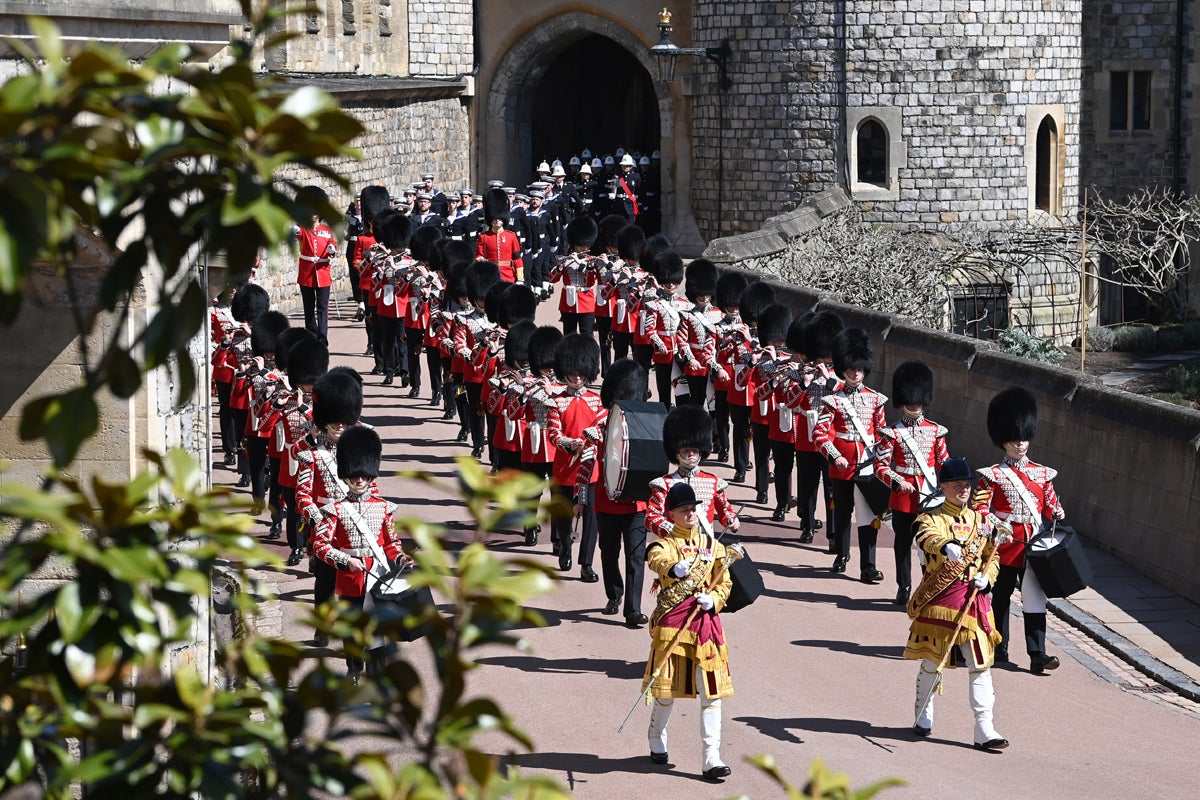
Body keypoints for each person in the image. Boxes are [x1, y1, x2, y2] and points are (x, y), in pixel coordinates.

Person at [905, 457, 1007, 750]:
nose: (964, 490)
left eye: (967, 485)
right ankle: (923, 712)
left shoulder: (982, 520)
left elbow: (993, 554)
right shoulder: (932, 518)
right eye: (957, 485)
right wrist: (944, 545)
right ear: (944, 487)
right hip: (941, 600)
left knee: (981, 664)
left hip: (974, 601)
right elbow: (924, 536)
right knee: (932, 660)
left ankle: (984, 728)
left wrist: (988, 578)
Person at [642, 481, 735, 781]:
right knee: (666, 690)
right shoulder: (666, 543)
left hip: (705, 624)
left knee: (711, 693)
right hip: (674, 624)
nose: (691, 513)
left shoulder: (713, 545)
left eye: (693, 509)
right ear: (672, 514)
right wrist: (673, 569)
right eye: (684, 510)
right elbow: (655, 558)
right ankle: (656, 736)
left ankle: (712, 757)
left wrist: (716, 599)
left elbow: (726, 581)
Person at [311, 425, 413, 684]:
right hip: (349, 577)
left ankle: (377, 677)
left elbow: (392, 543)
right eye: (354, 476)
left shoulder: (383, 508)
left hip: (376, 575)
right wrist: (346, 561)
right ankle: (354, 668)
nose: (358, 480)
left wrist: (401, 557)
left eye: (363, 476)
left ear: (370, 476)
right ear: (347, 476)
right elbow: (320, 546)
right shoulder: (335, 510)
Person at [976, 387, 1066, 674]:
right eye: (1015, 438)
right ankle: (999, 646)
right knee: (1000, 597)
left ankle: (1037, 654)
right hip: (1004, 546)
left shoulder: (1042, 473)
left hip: (1033, 545)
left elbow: (1051, 504)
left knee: (1035, 598)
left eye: (1024, 437)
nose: (1020, 443)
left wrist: (1058, 511)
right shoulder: (992, 476)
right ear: (1003, 441)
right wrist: (995, 525)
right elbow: (980, 511)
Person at [574, 359, 650, 626]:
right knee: (608, 553)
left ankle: (633, 609)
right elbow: (587, 460)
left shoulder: (645, 420)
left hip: (636, 503)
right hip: (606, 501)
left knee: (636, 556)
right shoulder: (602, 422)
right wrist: (581, 498)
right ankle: (614, 594)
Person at [814, 328, 890, 580]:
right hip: (843, 466)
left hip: (868, 465)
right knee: (844, 512)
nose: (856, 372)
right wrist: (835, 455)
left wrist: (883, 461)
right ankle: (842, 555)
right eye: (851, 367)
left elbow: (881, 434)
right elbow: (821, 434)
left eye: (860, 368)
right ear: (844, 368)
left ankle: (868, 565)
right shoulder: (833, 400)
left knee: (868, 517)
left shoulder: (876, 400)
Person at [874, 361, 949, 605]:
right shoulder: (892, 432)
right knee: (902, 543)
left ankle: (929, 584)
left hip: (929, 494)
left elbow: (943, 464)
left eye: (918, 400)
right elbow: (880, 466)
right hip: (904, 496)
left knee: (931, 543)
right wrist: (897, 481)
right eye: (911, 400)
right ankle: (904, 586)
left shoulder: (936, 431)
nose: (915, 404)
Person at [547, 334, 604, 582]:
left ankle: (586, 564)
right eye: (572, 372)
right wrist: (570, 443)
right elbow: (553, 434)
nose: (577, 377)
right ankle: (566, 549)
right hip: (564, 468)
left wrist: (591, 441)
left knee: (591, 519)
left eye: (581, 372)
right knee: (563, 515)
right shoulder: (556, 402)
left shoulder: (597, 400)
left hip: (590, 469)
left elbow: (603, 430)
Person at [645, 405, 740, 540]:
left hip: (705, 547)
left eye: (694, 450)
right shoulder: (665, 483)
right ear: (676, 453)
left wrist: (731, 519)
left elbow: (726, 510)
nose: (691, 454)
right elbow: (651, 517)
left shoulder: (713, 482)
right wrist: (674, 532)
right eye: (686, 450)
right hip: (676, 546)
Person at [293, 186, 337, 343]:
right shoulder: (303, 229)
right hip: (307, 273)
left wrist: (332, 249)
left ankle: (323, 336)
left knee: (323, 308)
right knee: (309, 308)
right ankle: (312, 335)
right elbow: (297, 233)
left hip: (323, 272)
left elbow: (332, 244)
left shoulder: (327, 230)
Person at [476, 188, 524, 283]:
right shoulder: (483, 237)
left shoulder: (511, 236)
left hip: (508, 275)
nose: (497, 220)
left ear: (503, 219)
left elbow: (517, 259)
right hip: (490, 275)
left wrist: (520, 278)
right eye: (494, 218)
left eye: (499, 218)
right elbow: (478, 256)